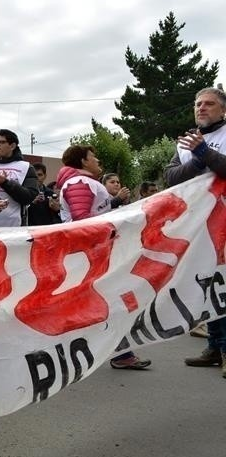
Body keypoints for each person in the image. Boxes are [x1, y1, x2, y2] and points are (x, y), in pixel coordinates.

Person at [56, 145, 151, 370]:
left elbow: (95, 215)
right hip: (89, 255)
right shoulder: (80, 183)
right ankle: (117, 354)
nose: (97, 159)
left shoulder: (85, 182)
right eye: (92, 157)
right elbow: (83, 222)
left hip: (93, 253)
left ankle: (118, 353)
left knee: (100, 302)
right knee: (106, 301)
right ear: (82, 161)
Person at [165, 86, 226, 378]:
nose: (201, 108)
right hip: (198, 224)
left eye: (209, 104)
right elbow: (171, 177)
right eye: (198, 104)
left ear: (223, 110)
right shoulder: (186, 142)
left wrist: (205, 153)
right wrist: (198, 158)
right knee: (208, 283)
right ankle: (215, 347)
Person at [0, 129, 39, 227]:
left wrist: (5, 183)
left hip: (14, 228)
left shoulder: (26, 167)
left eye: (1, 142)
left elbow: (28, 197)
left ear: (12, 146)